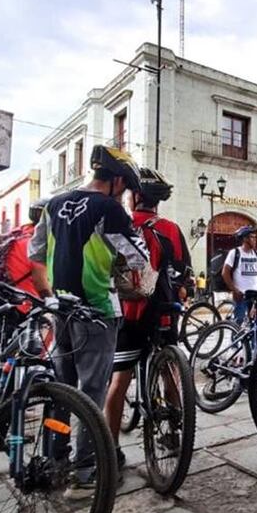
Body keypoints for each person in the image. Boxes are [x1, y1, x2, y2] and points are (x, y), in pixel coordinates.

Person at [29, 145, 149, 498]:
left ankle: (56, 460)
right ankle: (85, 474)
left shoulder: (52, 204)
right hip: (96, 309)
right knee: (91, 393)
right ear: (115, 181)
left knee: (61, 390)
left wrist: (52, 287)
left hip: (61, 308)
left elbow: (35, 253)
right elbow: (138, 257)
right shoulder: (108, 208)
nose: (125, 194)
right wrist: (115, 265)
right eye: (125, 187)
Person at [103, 168, 190, 472]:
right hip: (162, 308)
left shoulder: (120, 225)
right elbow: (183, 272)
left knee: (119, 380)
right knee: (169, 369)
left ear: (136, 196)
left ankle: (110, 450)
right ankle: (175, 432)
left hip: (128, 312)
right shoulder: (171, 229)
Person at [222, 226, 257, 324]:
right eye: (252, 237)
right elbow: (225, 273)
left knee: (255, 324)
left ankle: (254, 340)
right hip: (241, 295)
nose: (255, 240)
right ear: (245, 239)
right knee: (238, 322)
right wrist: (235, 290)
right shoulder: (235, 253)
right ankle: (236, 339)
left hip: (254, 295)